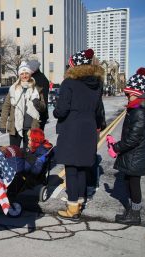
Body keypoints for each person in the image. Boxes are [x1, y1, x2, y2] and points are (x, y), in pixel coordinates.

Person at [54, 48, 105, 221]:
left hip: (72, 129)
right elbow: (99, 110)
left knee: (71, 169)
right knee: (83, 168)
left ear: (73, 65)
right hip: (89, 129)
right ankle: (80, 201)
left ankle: (72, 207)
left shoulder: (69, 83)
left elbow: (61, 110)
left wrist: (56, 110)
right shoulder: (97, 84)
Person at [106, 68, 145, 225]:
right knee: (128, 181)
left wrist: (117, 147)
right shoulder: (136, 108)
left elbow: (134, 138)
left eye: (129, 93)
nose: (127, 96)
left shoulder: (139, 111)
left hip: (136, 155)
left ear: (138, 93)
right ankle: (132, 210)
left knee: (133, 183)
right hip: (134, 155)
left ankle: (135, 214)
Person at [0, 61, 45, 148]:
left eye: (26, 73)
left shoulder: (37, 90)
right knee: (14, 153)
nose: (24, 76)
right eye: (22, 74)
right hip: (15, 127)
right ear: (19, 75)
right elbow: (6, 107)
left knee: (29, 154)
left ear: (30, 74)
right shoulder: (13, 89)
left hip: (31, 128)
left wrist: (37, 103)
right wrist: (2, 124)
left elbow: (43, 108)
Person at [28, 59, 50, 131]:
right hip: (40, 113)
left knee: (35, 138)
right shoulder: (42, 77)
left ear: (33, 69)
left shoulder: (37, 79)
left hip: (38, 112)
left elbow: (42, 98)